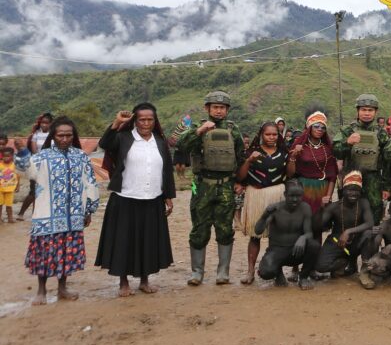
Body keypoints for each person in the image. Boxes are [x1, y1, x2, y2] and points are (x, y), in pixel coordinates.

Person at [95, 104, 176, 297]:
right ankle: (123, 283)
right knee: (124, 241)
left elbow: (166, 171)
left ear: (155, 121)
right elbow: (105, 144)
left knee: (148, 241)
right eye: (142, 119)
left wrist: (168, 196)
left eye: (150, 120)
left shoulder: (159, 141)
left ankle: (144, 281)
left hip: (152, 198)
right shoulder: (123, 138)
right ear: (135, 120)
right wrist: (116, 123)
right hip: (125, 198)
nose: (146, 123)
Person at [24, 117, 100, 305]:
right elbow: (27, 172)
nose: (65, 139)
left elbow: (90, 183)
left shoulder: (81, 157)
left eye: (68, 135)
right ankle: (41, 291)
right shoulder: (42, 157)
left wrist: (89, 210)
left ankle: (62, 288)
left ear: (73, 136)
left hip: (73, 216)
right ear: (53, 136)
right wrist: (21, 154)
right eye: (60, 135)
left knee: (67, 253)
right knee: (44, 253)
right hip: (46, 216)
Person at [176, 90, 245, 286]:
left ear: (227, 110)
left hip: (225, 186)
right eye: (215, 107)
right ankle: (197, 272)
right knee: (199, 229)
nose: (218, 111)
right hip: (202, 186)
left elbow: (241, 157)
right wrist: (199, 132)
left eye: (222, 108)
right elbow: (181, 146)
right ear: (207, 108)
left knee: (225, 230)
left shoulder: (233, 130)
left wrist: (240, 181)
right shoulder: (198, 127)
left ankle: (223, 272)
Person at [235, 121, 293, 285]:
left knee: (277, 236)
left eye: (274, 134)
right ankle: (250, 271)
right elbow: (240, 177)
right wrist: (248, 161)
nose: (271, 137)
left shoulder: (283, 153)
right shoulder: (251, 152)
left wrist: (292, 159)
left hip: (277, 194)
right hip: (256, 195)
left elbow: (290, 174)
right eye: (268, 134)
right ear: (261, 134)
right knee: (255, 235)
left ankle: (278, 271)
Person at [333, 95, 390, 223]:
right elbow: (335, 151)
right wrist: (347, 142)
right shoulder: (347, 130)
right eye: (363, 110)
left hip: (373, 179)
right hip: (351, 178)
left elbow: (387, 160)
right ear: (358, 111)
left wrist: (386, 186)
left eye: (370, 110)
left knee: (375, 211)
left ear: (375, 112)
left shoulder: (381, 133)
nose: (367, 113)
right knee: (348, 212)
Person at [254, 180, 318, 289]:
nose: (295, 199)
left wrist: (303, 237)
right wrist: (265, 215)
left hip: (296, 250)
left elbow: (309, 233)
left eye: (298, 196)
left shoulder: (305, 208)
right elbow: (258, 231)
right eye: (291, 196)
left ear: (302, 195)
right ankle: (278, 274)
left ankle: (303, 277)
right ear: (285, 195)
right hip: (277, 250)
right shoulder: (275, 209)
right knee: (265, 272)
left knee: (314, 246)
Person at [316, 171, 375, 284]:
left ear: (360, 192)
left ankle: (365, 272)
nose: (353, 193)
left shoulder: (363, 203)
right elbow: (319, 225)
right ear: (343, 191)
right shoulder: (335, 207)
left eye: (356, 190)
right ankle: (343, 263)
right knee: (321, 266)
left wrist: (348, 231)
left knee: (368, 234)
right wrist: (322, 208)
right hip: (338, 242)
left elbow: (370, 223)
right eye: (350, 190)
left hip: (356, 242)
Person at [289, 111, 338, 218]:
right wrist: (293, 156)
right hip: (303, 190)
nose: (320, 129)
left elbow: (333, 176)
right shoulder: (299, 147)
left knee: (318, 225)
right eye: (316, 126)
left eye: (323, 127)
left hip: (322, 191)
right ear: (309, 128)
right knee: (302, 224)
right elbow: (290, 174)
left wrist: (328, 196)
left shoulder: (327, 149)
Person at [16, 112, 53, 221]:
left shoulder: (53, 135)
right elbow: (34, 150)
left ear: (51, 124)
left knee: (45, 191)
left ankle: (37, 214)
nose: (44, 125)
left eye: (46, 123)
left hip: (49, 166)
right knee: (33, 191)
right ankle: (21, 214)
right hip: (36, 166)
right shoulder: (36, 134)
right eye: (42, 122)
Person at [0, 145, 19, 223]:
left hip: (10, 189)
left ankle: (10, 218)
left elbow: (18, 176)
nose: (6, 158)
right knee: (0, 205)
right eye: (4, 156)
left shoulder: (14, 165)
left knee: (9, 205)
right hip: (0, 189)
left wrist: (17, 186)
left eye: (8, 156)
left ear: (12, 156)